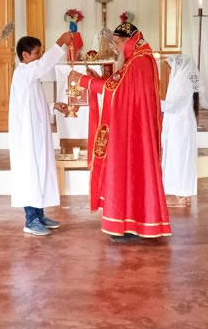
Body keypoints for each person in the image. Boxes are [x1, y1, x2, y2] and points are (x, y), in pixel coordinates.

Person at [68, 22, 171, 241]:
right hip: (135, 130)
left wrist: (84, 80)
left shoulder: (138, 62)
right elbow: (119, 87)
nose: (116, 47)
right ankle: (133, 224)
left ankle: (131, 224)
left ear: (129, 40)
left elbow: (116, 90)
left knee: (128, 173)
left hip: (132, 133)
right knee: (133, 175)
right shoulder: (139, 59)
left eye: (117, 42)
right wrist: (95, 78)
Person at [9, 32, 73, 236]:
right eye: (37, 53)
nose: (40, 56)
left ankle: (39, 214)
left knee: (40, 171)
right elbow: (44, 65)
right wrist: (60, 42)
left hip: (37, 133)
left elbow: (34, 104)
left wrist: (54, 106)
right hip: (27, 137)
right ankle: (30, 220)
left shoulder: (31, 77)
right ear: (25, 55)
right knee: (30, 173)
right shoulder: (23, 72)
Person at [162, 54, 200, 208]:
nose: (172, 69)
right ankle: (183, 195)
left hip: (181, 127)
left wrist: (151, 101)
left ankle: (182, 196)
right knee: (180, 159)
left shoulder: (183, 82)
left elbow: (173, 106)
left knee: (179, 160)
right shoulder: (181, 80)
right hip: (179, 125)